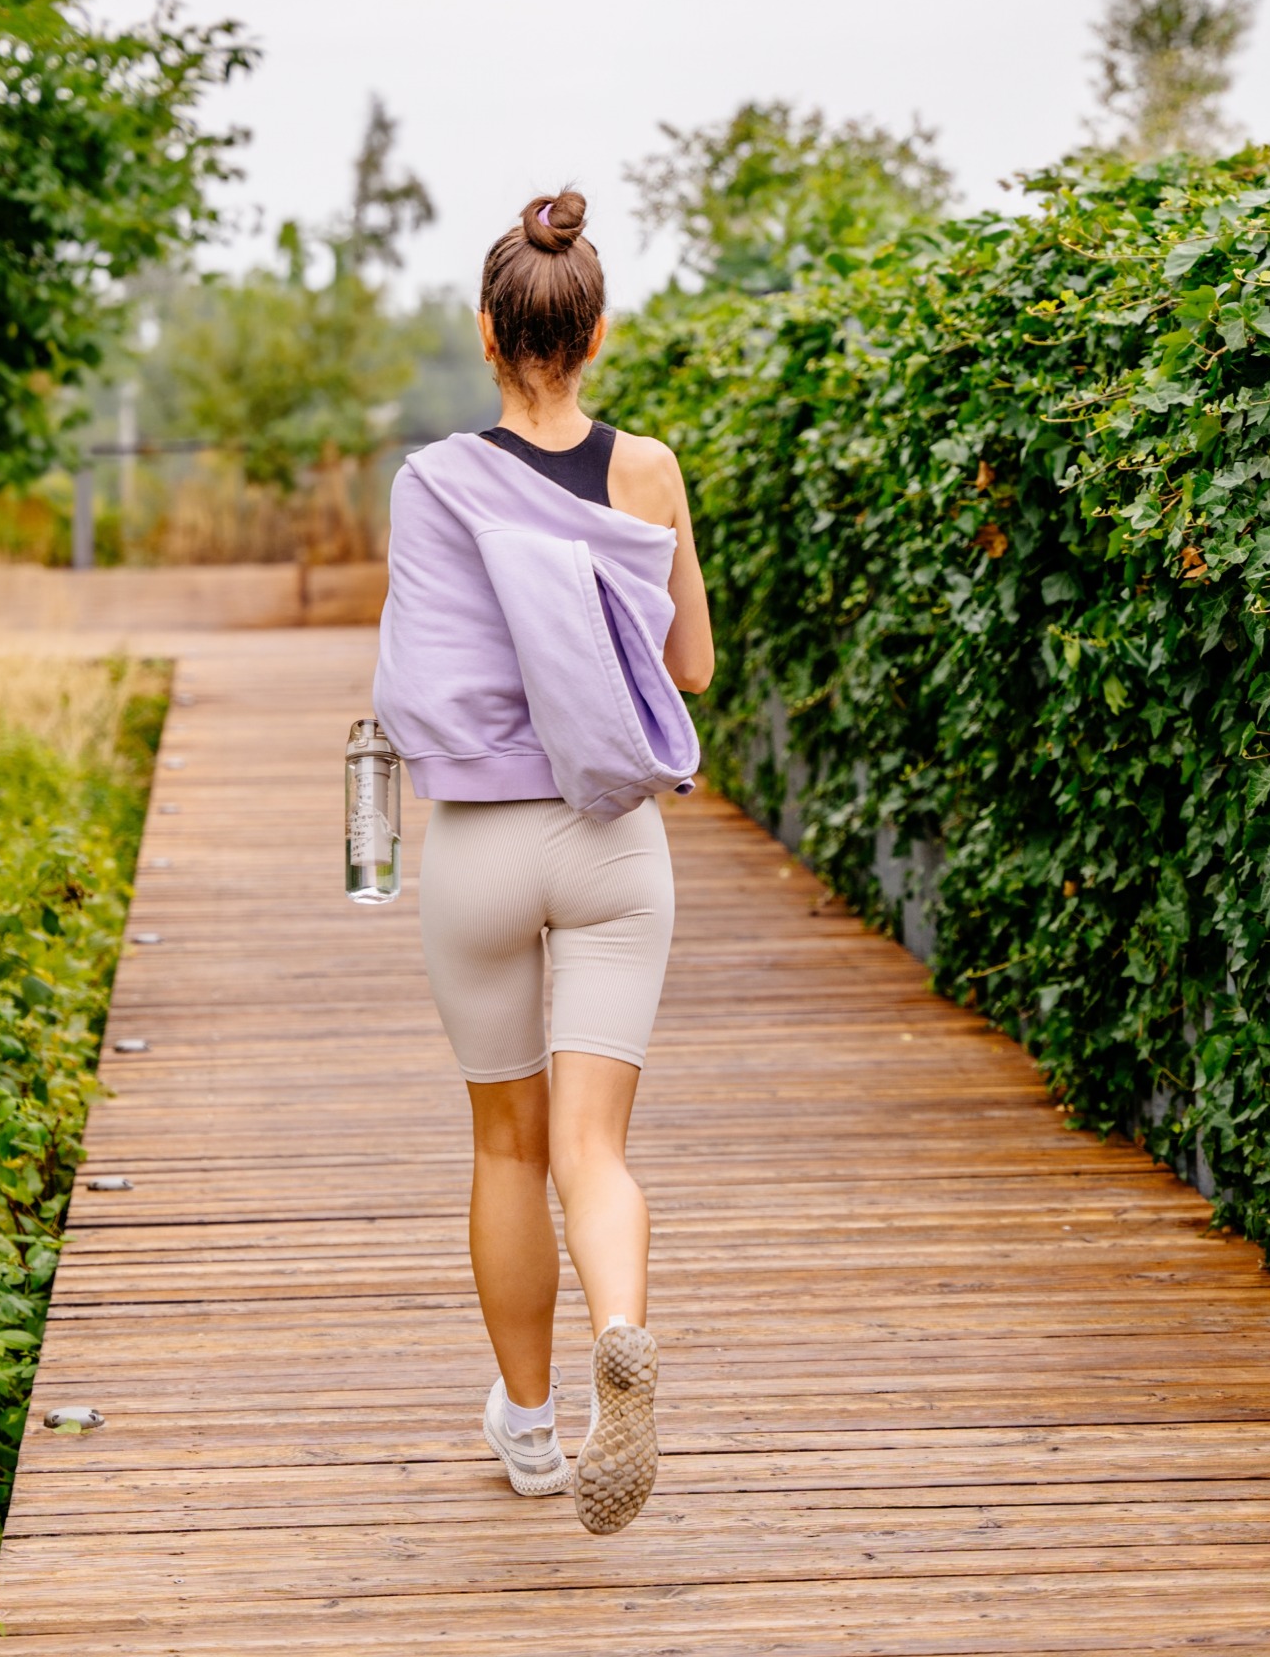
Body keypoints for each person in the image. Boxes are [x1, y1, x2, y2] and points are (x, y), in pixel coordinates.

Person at [372, 190, 713, 1535]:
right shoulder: (651, 471)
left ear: (486, 333)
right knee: (594, 1146)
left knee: (505, 1146)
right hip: (615, 842)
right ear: (597, 333)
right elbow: (689, 669)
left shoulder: (434, 481)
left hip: (478, 849)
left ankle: (525, 1428)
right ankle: (620, 1333)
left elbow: (418, 671)